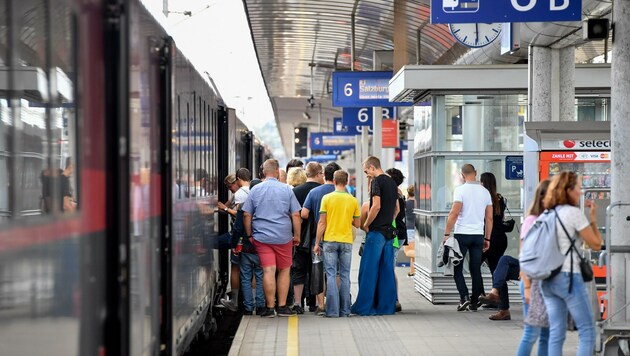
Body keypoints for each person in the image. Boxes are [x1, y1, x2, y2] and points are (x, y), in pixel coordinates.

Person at [540, 171, 602, 355]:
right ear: (569, 190)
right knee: (587, 330)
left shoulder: (546, 214)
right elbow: (596, 244)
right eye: (578, 187)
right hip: (568, 276)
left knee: (556, 332)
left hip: (547, 278)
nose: (580, 192)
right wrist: (593, 218)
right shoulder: (573, 213)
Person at [242, 159, 302, 317]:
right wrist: (297, 236)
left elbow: (247, 214)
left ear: (263, 172)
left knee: (268, 270)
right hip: (283, 237)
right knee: (284, 270)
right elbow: (296, 214)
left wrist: (249, 235)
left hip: (262, 237)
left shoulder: (255, 190)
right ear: (277, 172)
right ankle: (282, 307)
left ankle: (269, 308)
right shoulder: (287, 190)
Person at [351, 156, 399, 316]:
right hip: (389, 234)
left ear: (372, 167)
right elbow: (397, 209)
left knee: (368, 271)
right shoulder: (393, 183)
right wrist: (388, 220)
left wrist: (367, 224)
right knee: (386, 271)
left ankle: (364, 307)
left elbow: (376, 206)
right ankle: (386, 307)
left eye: (366, 171)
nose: (367, 175)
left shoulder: (377, 182)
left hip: (376, 233)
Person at [443, 164, 493, 312]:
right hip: (478, 235)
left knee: (457, 267)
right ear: (475, 173)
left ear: (462, 175)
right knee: (475, 268)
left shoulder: (460, 190)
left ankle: (464, 297)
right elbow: (489, 218)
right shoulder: (485, 192)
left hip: (462, 235)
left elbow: (454, 213)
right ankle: (475, 301)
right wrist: (487, 238)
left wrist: (446, 234)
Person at [313, 170, 360, 317]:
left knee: (331, 275)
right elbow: (357, 224)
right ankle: (345, 310)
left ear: (333, 181)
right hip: (346, 241)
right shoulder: (353, 200)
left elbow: (322, 223)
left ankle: (332, 311)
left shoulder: (327, 198)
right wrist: (347, 217)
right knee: (345, 275)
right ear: (346, 182)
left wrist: (316, 243)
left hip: (330, 241)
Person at [301, 162, 342, 315]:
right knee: (336, 272)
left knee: (319, 272)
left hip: (318, 239)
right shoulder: (345, 194)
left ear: (324, 175)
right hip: (339, 237)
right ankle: (335, 302)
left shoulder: (315, 192)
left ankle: (321, 306)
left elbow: (304, 214)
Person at [516, 179, 551, 355]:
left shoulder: (550, 218)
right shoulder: (532, 220)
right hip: (532, 282)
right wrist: (528, 287)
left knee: (546, 333)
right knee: (532, 332)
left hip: (546, 282)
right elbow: (524, 256)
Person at [291, 162, 323, 314]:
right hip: (319, 237)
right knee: (316, 270)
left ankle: (297, 303)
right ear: (318, 174)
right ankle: (314, 303)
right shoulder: (322, 191)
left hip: (300, 237)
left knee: (299, 270)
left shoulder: (296, 191)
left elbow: (294, 214)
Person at [219, 172, 250, 311]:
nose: (229, 188)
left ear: (237, 181)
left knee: (236, 268)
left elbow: (239, 215)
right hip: (249, 236)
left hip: (240, 237)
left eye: (230, 185)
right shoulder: (245, 191)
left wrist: (225, 208)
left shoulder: (240, 194)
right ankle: (252, 302)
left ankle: (235, 301)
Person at [385, 167, 407, 312]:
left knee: (389, 267)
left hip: (395, 234)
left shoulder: (393, 194)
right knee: (389, 267)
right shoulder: (399, 193)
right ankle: (393, 298)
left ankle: (394, 299)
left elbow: (394, 213)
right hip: (399, 233)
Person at [480, 172, 509, 276]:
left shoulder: (483, 199)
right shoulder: (500, 199)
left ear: (483, 183)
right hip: (500, 238)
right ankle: (501, 292)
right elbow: (502, 217)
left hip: (487, 237)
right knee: (496, 269)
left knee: (474, 266)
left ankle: (479, 291)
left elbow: (488, 219)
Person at [404, 185, 416, 277]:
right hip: (419, 229)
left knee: (409, 251)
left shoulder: (406, 203)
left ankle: (414, 270)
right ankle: (412, 271)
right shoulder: (419, 203)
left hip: (409, 229)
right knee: (413, 251)